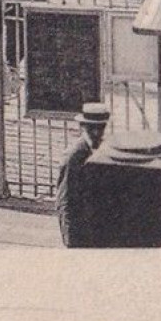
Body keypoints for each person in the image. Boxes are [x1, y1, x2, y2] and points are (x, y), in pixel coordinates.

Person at [55, 103, 109, 248]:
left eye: (101, 127)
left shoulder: (102, 150)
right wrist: (70, 241)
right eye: (92, 128)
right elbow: (64, 200)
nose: (97, 133)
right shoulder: (74, 156)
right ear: (82, 127)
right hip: (81, 234)